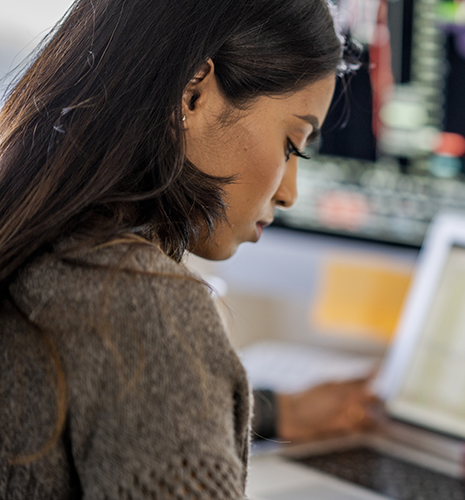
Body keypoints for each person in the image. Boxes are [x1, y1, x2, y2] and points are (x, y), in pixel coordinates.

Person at [0, 0, 369, 497]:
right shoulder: (145, 309)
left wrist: (269, 410)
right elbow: (138, 355)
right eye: (291, 144)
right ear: (194, 94)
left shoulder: (32, 241)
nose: (289, 193)